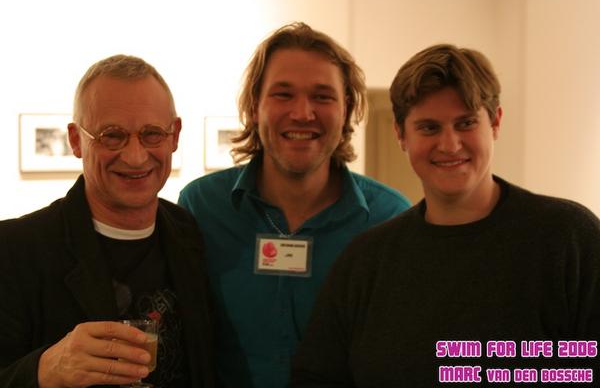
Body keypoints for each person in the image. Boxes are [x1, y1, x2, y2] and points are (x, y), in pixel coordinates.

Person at [292, 44, 600, 387]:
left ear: (495, 122)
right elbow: (316, 378)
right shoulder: (366, 262)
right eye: (429, 128)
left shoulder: (568, 239)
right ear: (401, 134)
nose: (450, 145)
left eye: (465, 123)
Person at [178, 22, 411, 387]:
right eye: (283, 94)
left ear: (346, 109)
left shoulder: (389, 218)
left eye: (323, 96)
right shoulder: (201, 207)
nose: (303, 113)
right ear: (254, 106)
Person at [0, 55, 215, 388]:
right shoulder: (14, 250)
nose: (135, 156)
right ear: (76, 140)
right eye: (112, 136)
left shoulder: (189, 232)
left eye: (152, 134)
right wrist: (44, 369)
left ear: (174, 136)